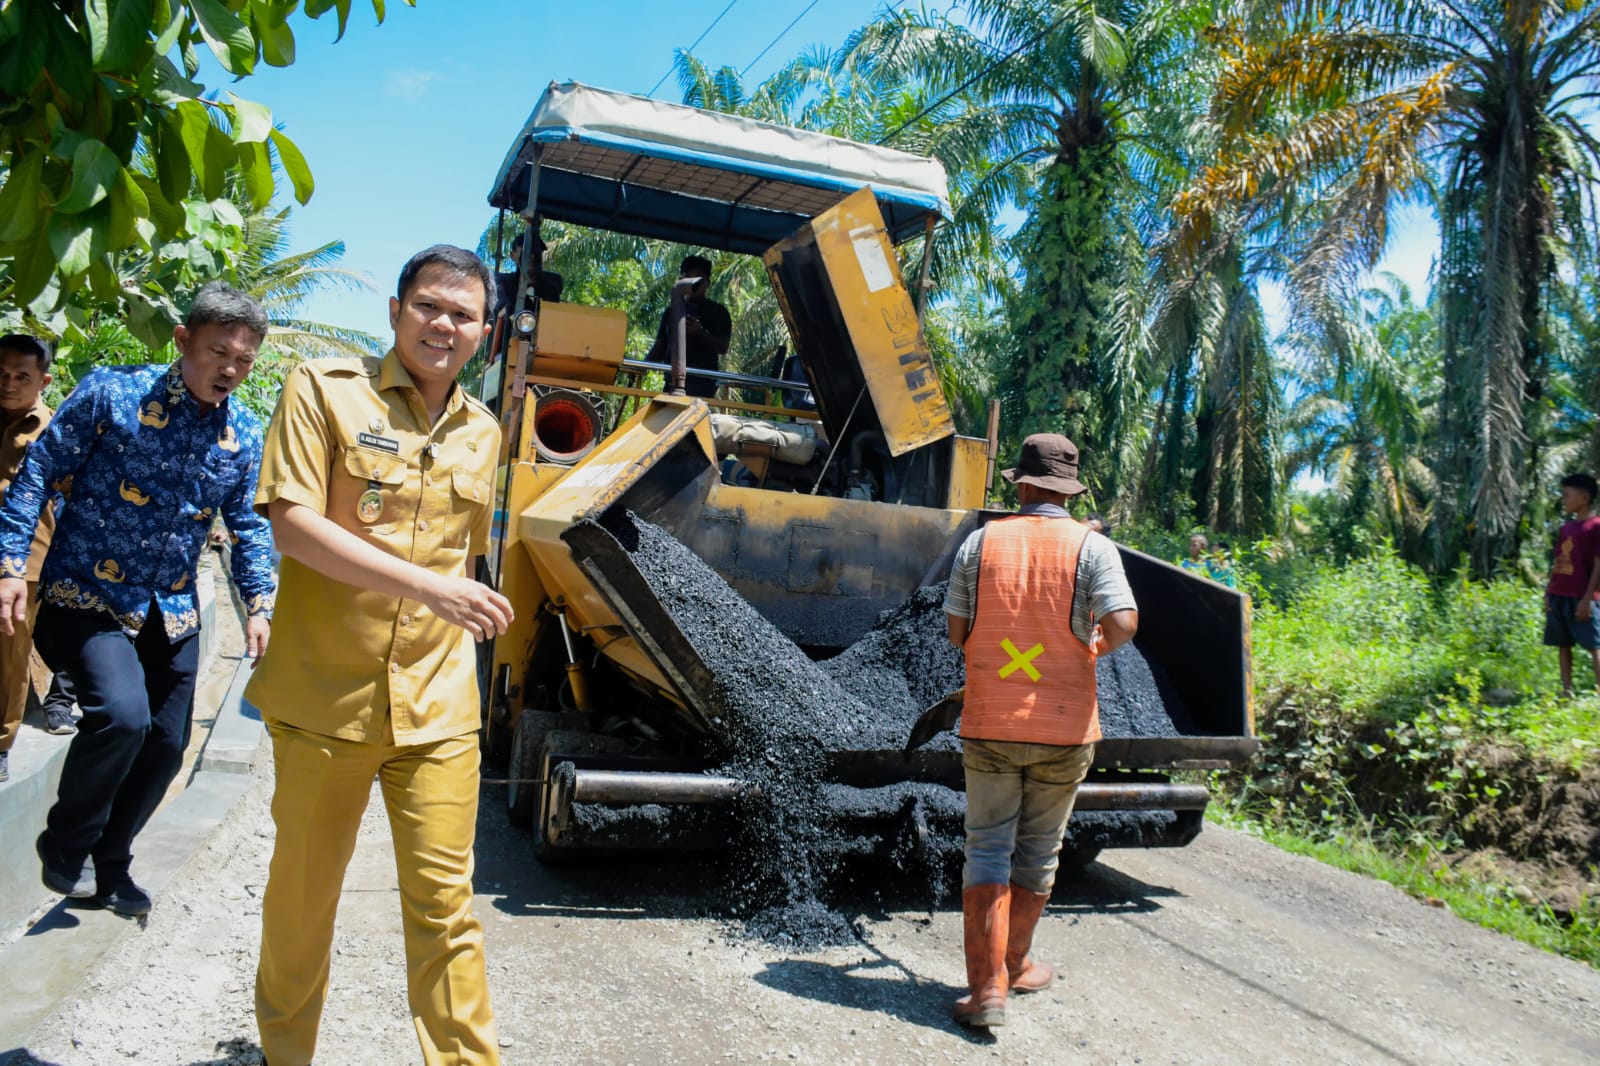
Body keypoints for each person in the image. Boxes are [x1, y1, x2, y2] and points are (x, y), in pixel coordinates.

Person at [248, 245, 512, 1066]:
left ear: (486, 333)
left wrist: (448, 596)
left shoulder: (484, 432)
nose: (444, 325)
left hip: (438, 709)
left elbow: (463, 563)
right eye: (430, 306)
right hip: (328, 701)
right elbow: (292, 524)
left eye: (462, 315)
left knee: (445, 908)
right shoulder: (321, 391)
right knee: (303, 906)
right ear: (396, 310)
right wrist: (430, 589)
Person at [0, 285, 276, 914]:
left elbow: (247, 524)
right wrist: (11, 564)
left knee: (164, 746)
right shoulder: (112, 394)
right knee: (122, 718)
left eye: (244, 359)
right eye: (217, 352)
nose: (229, 369)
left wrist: (258, 603)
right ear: (183, 341)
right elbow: (39, 470)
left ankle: (111, 863)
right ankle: (65, 845)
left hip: (171, 610)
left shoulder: (243, 433)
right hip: (84, 596)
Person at [942, 433, 1138, 1028]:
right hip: (1065, 728)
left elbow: (956, 632)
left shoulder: (980, 542)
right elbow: (1124, 623)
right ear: (1068, 491)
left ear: (1021, 486)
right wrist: (1088, 648)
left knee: (989, 848)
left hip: (991, 724)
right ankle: (1017, 963)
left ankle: (987, 990)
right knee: (1040, 850)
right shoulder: (1093, 547)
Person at [0, 334, 57, 783]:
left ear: (43, 381)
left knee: (10, 656)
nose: (9, 384)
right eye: (1, 374)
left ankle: (1, 744)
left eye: (22, 376)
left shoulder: (53, 431)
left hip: (26, 565)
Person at [1543, 472, 1600, 696]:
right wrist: (1549, 592)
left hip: (1583, 596)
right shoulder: (1566, 529)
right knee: (1562, 643)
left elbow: (1598, 565)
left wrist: (1588, 598)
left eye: (1567, 496)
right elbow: (1558, 562)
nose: (1563, 500)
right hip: (1559, 593)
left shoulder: (1596, 526)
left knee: (1594, 644)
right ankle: (1567, 691)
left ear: (1584, 498)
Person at [646, 254, 731, 399]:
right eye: (688, 278)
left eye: (698, 279)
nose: (693, 284)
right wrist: (640, 368)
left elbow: (722, 347)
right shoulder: (670, 312)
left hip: (704, 386)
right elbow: (660, 346)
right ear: (680, 281)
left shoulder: (719, 312)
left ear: (707, 283)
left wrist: (700, 333)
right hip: (671, 384)